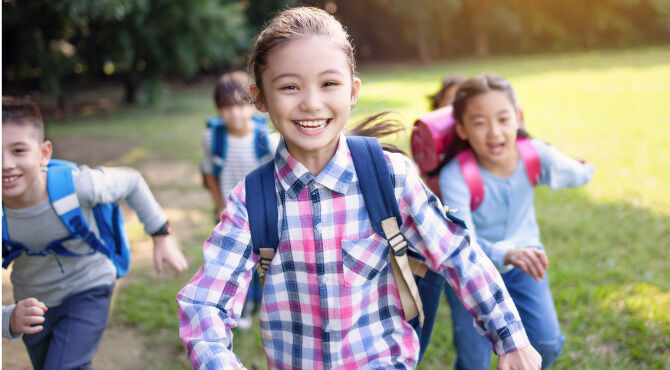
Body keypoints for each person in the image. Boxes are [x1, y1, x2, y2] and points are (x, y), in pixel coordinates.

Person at [177, 7, 541, 369]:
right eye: (289, 86)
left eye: (329, 84)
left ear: (352, 91)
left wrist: (511, 338)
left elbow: (458, 255)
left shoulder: (389, 176)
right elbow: (205, 302)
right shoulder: (251, 199)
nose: (311, 103)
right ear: (259, 97)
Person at [2, 97, 188, 369]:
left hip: (88, 286)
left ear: (43, 154)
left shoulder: (78, 185)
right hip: (32, 304)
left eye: (18, 150)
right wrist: (8, 318)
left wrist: (161, 234)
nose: (6, 164)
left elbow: (131, 181)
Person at [436, 74, 594, 369]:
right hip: (470, 272)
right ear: (462, 129)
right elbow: (462, 239)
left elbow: (574, 171)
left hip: (525, 264)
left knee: (545, 345)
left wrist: (586, 169)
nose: (494, 132)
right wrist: (504, 253)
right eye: (480, 122)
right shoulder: (455, 175)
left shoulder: (535, 154)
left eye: (503, 119)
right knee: (475, 362)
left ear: (518, 118)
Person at [200, 71, 279, 329]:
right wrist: (218, 203)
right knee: (233, 262)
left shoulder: (265, 139)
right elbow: (209, 172)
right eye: (226, 107)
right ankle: (241, 307)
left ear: (253, 103)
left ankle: (256, 301)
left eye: (239, 105)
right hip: (229, 211)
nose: (234, 113)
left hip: (261, 210)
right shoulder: (213, 138)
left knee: (259, 258)